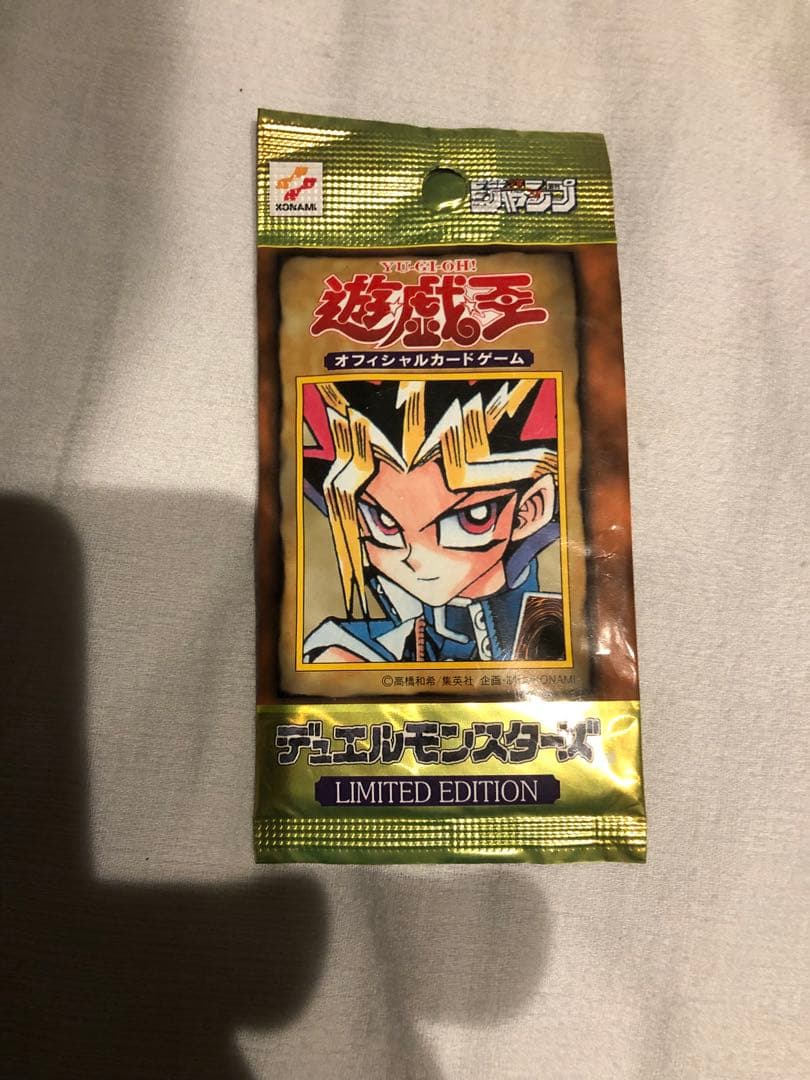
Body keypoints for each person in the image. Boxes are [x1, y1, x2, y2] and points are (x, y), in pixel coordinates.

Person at [301, 377, 563, 663]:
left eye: (471, 519)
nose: (415, 559)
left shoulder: (557, 630)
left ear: (529, 510)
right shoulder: (352, 646)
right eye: (384, 521)